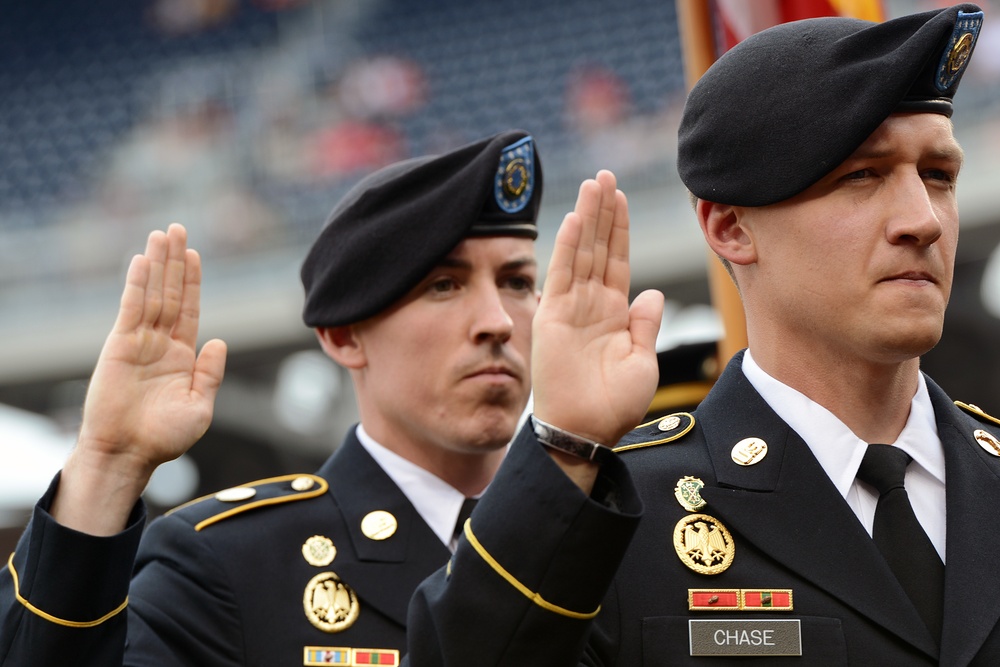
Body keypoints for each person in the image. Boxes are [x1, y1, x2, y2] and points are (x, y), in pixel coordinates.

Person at [405, 5, 1000, 665]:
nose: (923, 219)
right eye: (861, 175)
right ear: (730, 228)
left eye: (938, 176)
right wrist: (564, 449)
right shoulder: (622, 517)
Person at [0, 129, 543, 665]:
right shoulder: (230, 565)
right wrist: (105, 467)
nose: (497, 322)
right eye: (443, 285)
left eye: (517, 282)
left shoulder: (608, 534)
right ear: (344, 335)